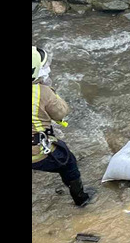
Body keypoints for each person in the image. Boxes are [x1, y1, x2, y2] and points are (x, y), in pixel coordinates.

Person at [31, 46, 94, 206]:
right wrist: (51, 91)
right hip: (36, 152)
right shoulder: (42, 92)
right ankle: (81, 199)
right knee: (68, 162)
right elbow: (61, 113)